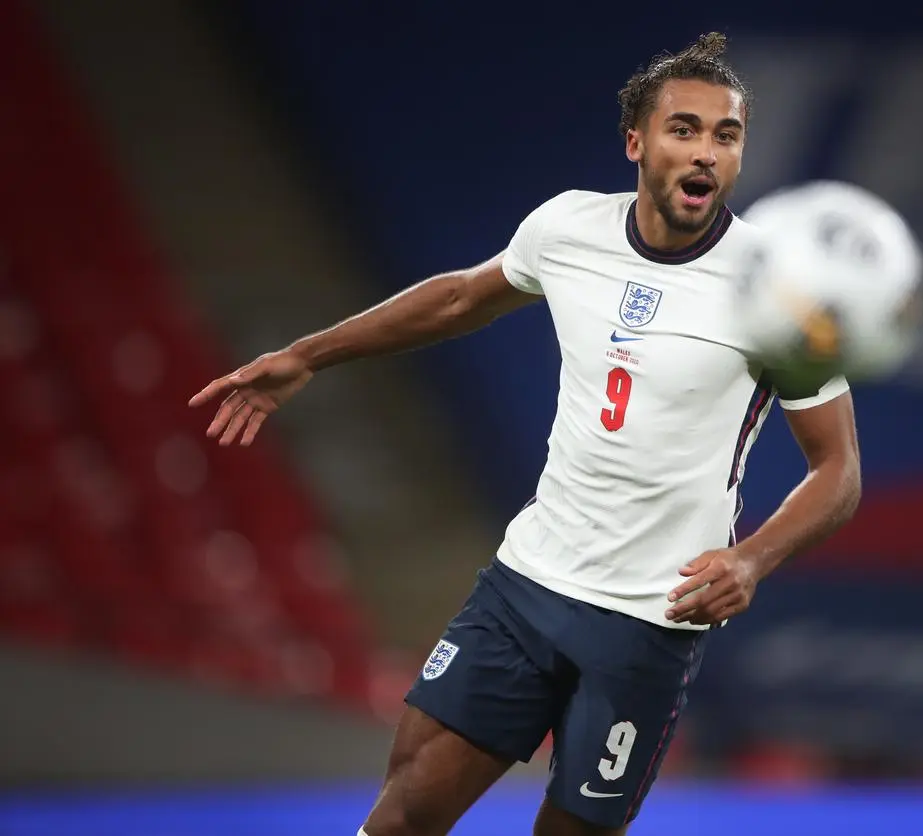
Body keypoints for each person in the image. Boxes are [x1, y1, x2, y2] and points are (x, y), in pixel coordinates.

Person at [189, 31, 861, 836]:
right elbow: (457, 298)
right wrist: (307, 355)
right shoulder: (567, 228)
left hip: (651, 619)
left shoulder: (779, 292)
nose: (705, 152)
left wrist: (752, 559)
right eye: (683, 129)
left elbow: (838, 471)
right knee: (402, 814)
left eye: (726, 135)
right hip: (527, 586)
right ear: (635, 141)